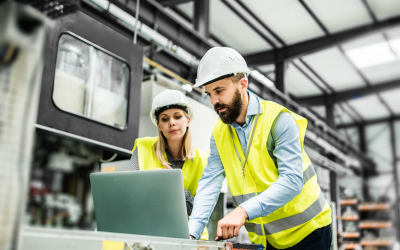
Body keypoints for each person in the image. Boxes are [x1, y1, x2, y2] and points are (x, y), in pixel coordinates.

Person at [188, 47, 332, 249]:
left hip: (308, 231)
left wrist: (243, 211)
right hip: (268, 238)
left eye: (219, 91)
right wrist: (191, 231)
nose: (214, 101)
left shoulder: (279, 121)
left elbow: (292, 180)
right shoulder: (219, 133)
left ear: (242, 84)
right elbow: (210, 181)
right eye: (209, 93)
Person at [126, 89, 209, 240]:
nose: (172, 122)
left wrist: (175, 187)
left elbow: (202, 208)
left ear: (188, 120)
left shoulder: (203, 160)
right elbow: (128, 192)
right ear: (158, 125)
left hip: (191, 238)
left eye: (177, 117)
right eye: (164, 119)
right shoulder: (143, 147)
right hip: (149, 234)